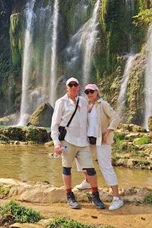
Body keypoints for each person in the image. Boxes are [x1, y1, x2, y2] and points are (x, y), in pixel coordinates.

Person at [50, 77, 106, 209]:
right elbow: (55, 124)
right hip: (67, 140)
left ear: (79, 87)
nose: (73, 87)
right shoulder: (61, 102)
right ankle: (69, 196)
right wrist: (56, 143)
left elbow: (92, 116)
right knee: (66, 168)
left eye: (76, 85)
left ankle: (95, 196)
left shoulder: (84, 101)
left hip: (83, 141)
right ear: (67, 88)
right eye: (71, 85)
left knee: (90, 169)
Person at [75, 83, 124, 211]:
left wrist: (108, 132)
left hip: (101, 140)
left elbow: (116, 118)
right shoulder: (87, 106)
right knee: (80, 158)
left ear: (97, 92)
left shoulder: (103, 104)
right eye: (87, 92)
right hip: (89, 140)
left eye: (91, 91)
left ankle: (117, 198)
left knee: (105, 166)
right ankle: (87, 181)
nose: (89, 94)